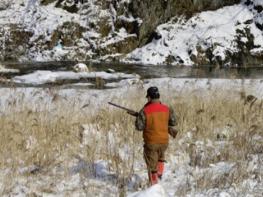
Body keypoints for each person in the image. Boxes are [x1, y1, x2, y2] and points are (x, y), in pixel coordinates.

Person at [134, 86, 176, 185]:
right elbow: (173, 122)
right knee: (161, 156)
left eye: (147, 97)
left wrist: (139, 117)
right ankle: (160, 174)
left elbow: (139, 127)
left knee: (151, 166)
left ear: (149, 97)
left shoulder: (145, 110)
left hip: (151, 142)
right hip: (164, 142)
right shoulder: (167, 108)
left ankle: (154, 186)